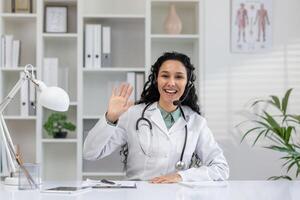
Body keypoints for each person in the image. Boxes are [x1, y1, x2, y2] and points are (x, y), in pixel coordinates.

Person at [83, 52, 229, 183]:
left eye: (179, 77)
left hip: (177, 195)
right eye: (165, 76)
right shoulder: (133, 115)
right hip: (139, 195)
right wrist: (111, 118)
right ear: (156, 80)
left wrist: (181, 176)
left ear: (188, 83)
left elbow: (221, 168)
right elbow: (90, 153)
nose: (171, 82)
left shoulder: (196, 122)